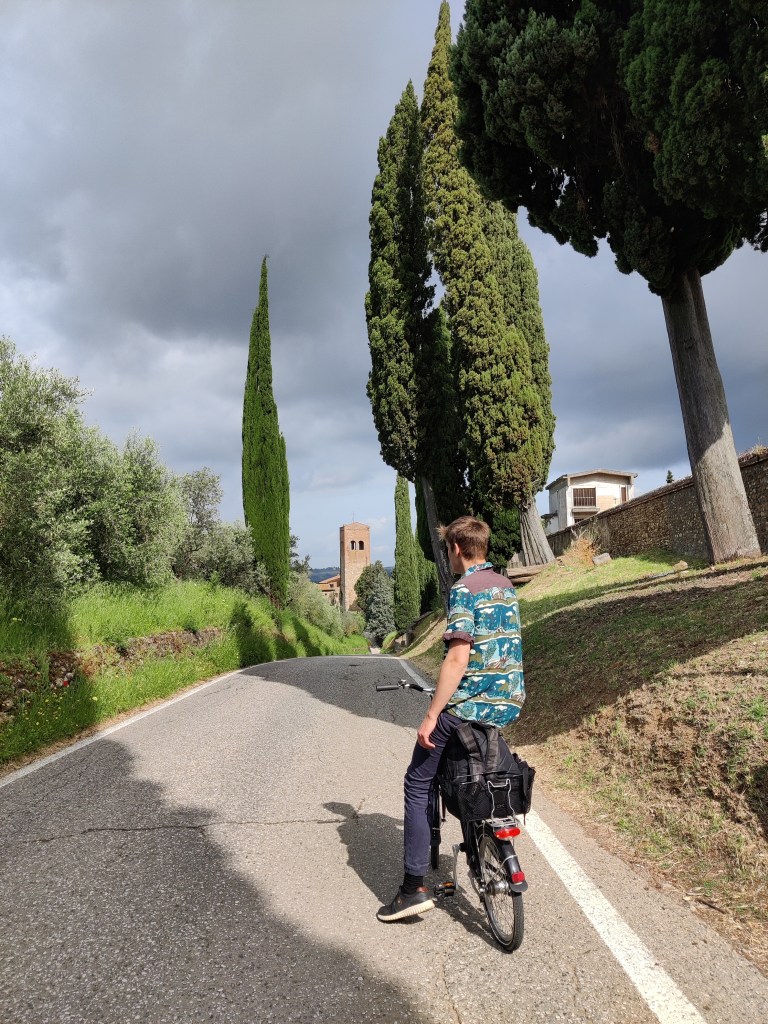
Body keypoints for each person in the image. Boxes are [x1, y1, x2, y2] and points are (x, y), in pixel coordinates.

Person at [377, 515, 525, 922]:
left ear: (456, 549)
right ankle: (478, 845)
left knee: (417, 781)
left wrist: (431, 715)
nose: (448, 555)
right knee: (471, 769)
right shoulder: (505, 585)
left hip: (470, 704)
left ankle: (412, 889)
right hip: (508, 702)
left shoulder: (464, 589)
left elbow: (458, 657)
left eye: (447, 549)